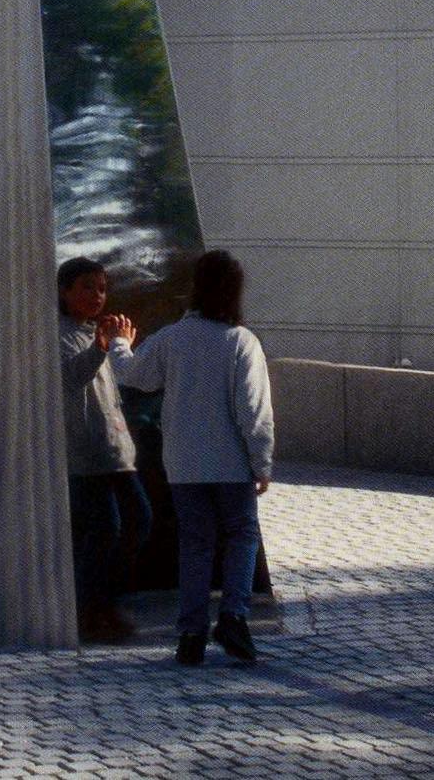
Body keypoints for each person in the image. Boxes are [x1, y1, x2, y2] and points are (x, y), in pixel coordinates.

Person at [108, 249, 273, 666]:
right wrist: (262, 463)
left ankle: (191, 633)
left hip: (183, 463)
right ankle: (233, 616)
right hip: (231, 463)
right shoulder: (241, 342)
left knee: (195, 545)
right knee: (241, 536)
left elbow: (134, 375)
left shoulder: (173, 338)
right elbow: (253, 410)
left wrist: (119, 344)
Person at [57, 256, 152, 643]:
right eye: (87, 287)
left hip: (114, 448)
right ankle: (90, 609)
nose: (97, 296)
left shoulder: (95, 333)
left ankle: (101, 604)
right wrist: (100, 348)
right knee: (105, 530)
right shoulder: (59, 334)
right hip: (86, 453)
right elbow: (69, 378)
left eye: (102, 288)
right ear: (64, 291)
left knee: (137, 521)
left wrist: (121, 347)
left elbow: (117, 388)